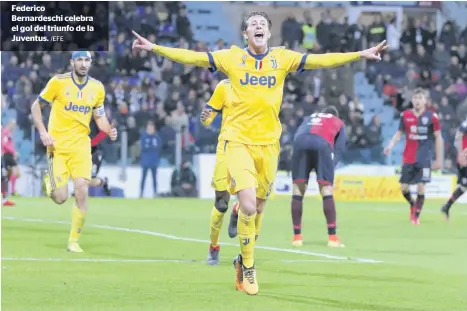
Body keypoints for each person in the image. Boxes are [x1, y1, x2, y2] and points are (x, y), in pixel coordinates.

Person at [132, 11, 387, 295]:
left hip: (269, 146)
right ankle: (250, 267)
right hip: (237, 142)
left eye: (262, 24)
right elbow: (194, 57)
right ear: (245, 34)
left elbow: (321, 60)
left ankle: (241, 261)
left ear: (268, 32)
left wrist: (359, 54)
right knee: (249, 206)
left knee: (260, 208)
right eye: (253, 23)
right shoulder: (232, 58)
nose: (258, 26)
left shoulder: (282, 58)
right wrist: (155, 48)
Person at [30, 51, 118, 253]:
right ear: (72, 62)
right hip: (58, 147)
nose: (83, 64)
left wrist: (108, 129)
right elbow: (36, 106)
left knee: (81, 189)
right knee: (60, 197)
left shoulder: (97, 88)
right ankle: (49, 183)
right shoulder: (58, 82)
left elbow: (99, 117)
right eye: (79, 60)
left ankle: (73, 241)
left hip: (81, 146)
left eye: (87, 60)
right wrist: (43, 132)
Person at [384, 88, 443, 225]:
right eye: (415, 98)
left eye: (420, 98)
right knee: (403, 188)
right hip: (408, 157)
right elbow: (399, 133)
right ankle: (412, 204)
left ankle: (416, 216)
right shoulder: (405, 116)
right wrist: (390, 146)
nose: (417, 101)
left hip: (424, 157)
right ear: (412, 100)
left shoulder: (432, 117)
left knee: (421, 186)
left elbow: (438, 137)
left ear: (425, 101)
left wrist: (439, 158)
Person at [290, 107, 346, 248]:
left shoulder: (309, 117)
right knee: (326, 189)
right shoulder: (337, 121)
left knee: (298, 189)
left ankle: (297, 237)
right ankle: (332, 238)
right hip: (321, 143)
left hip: (300, 143)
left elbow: (297, 136)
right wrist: (328, 167)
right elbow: (339, 149)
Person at [199, 79, 240, 266]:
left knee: (253, 198)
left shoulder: (259, 83)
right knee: (221, 204)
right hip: (226, 147)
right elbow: (208, 118)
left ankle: (237, 209)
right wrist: (205, 117)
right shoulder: (224, 86)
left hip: (253, 146)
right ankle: (214, 246)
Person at [441, 119, 467, 219]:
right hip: (465, 159)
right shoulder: (465, 124)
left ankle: (447, 206)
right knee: (464, 186)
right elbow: (458, 137)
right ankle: (447, 206)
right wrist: (461, 155)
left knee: (464, 187)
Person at [89, 119, 112, 196]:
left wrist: (92, 143)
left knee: (92, 179)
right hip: (82, 151)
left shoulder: (96, 117)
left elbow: (104, 132)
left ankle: (103, 181)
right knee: (80, 177)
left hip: (96, 151)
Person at [140, 121, 162, 198]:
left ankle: (155, 193)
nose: (150, 129)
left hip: (154, 161)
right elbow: (143, 148)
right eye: (149, 128)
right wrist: (152, 147)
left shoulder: (157, 137)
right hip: (145, 161)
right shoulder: (144, 137)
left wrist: (150, 147)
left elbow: (159, 148)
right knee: (143, 178)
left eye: (151, 128)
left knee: (154, 178)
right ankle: (141, 193)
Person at [2, 119, 19, 196]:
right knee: (14, 170)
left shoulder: (8, 132)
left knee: (9, 173)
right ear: (10, 124)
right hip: (7, 154)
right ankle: (12, 190)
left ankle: (8, 191)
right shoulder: (5, 132)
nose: (14, 127)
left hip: (8, 154)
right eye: (13, 125)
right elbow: (4, 144)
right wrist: (13, 152)